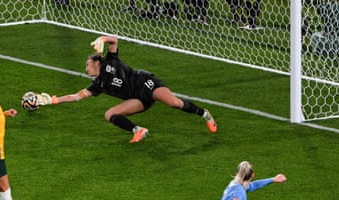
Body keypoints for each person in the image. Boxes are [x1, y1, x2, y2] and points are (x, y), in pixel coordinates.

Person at [36, 35, 217, 143]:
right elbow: (77, 96)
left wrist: (102, 39)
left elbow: (114, 41)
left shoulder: (109, 62)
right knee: (110, 114)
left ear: (97, 62)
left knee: (174, 103)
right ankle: (137, 130)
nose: (86, 68)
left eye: (87, 64)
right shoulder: (98, 84)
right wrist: (53, 100)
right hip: (137, 99)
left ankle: (205, 114)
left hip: (145, 83)